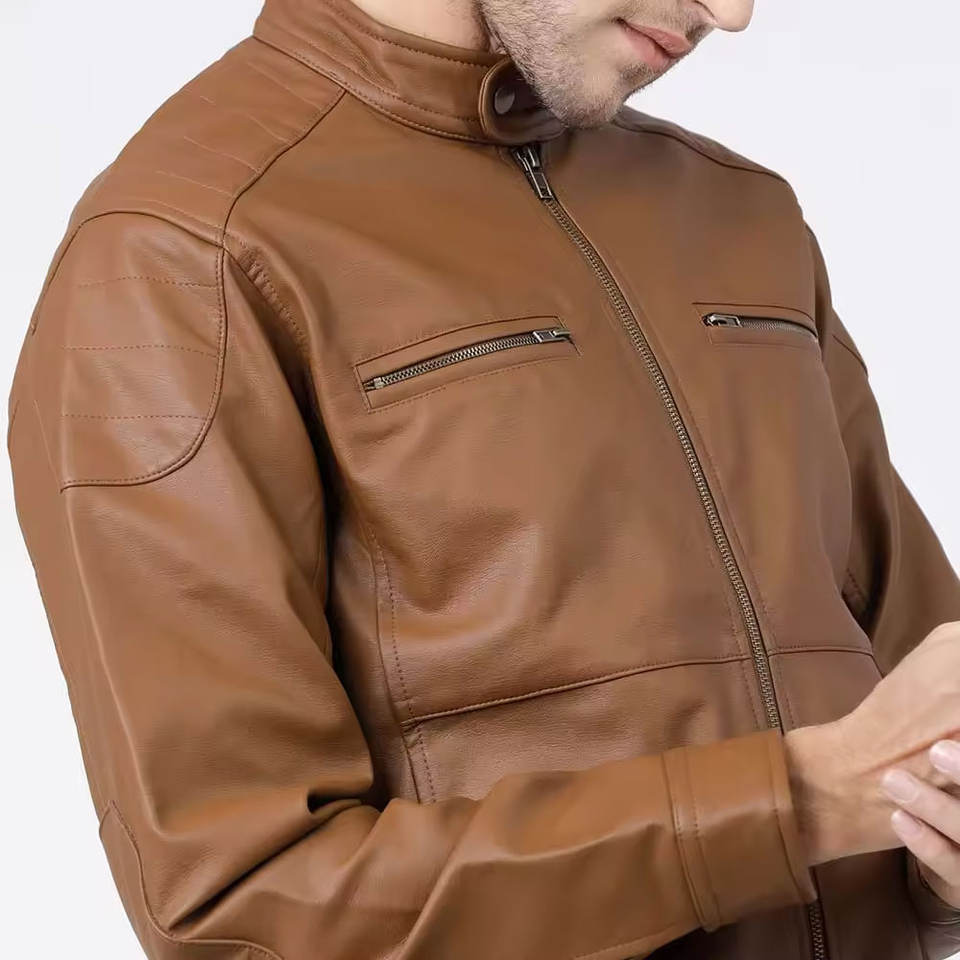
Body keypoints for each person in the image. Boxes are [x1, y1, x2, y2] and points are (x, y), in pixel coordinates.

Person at [7, 0, 960, 957]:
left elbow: (921, 711)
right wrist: (797, 807)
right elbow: (244, 904)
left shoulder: (738, 211)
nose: (733, 11)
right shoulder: (185, 251)